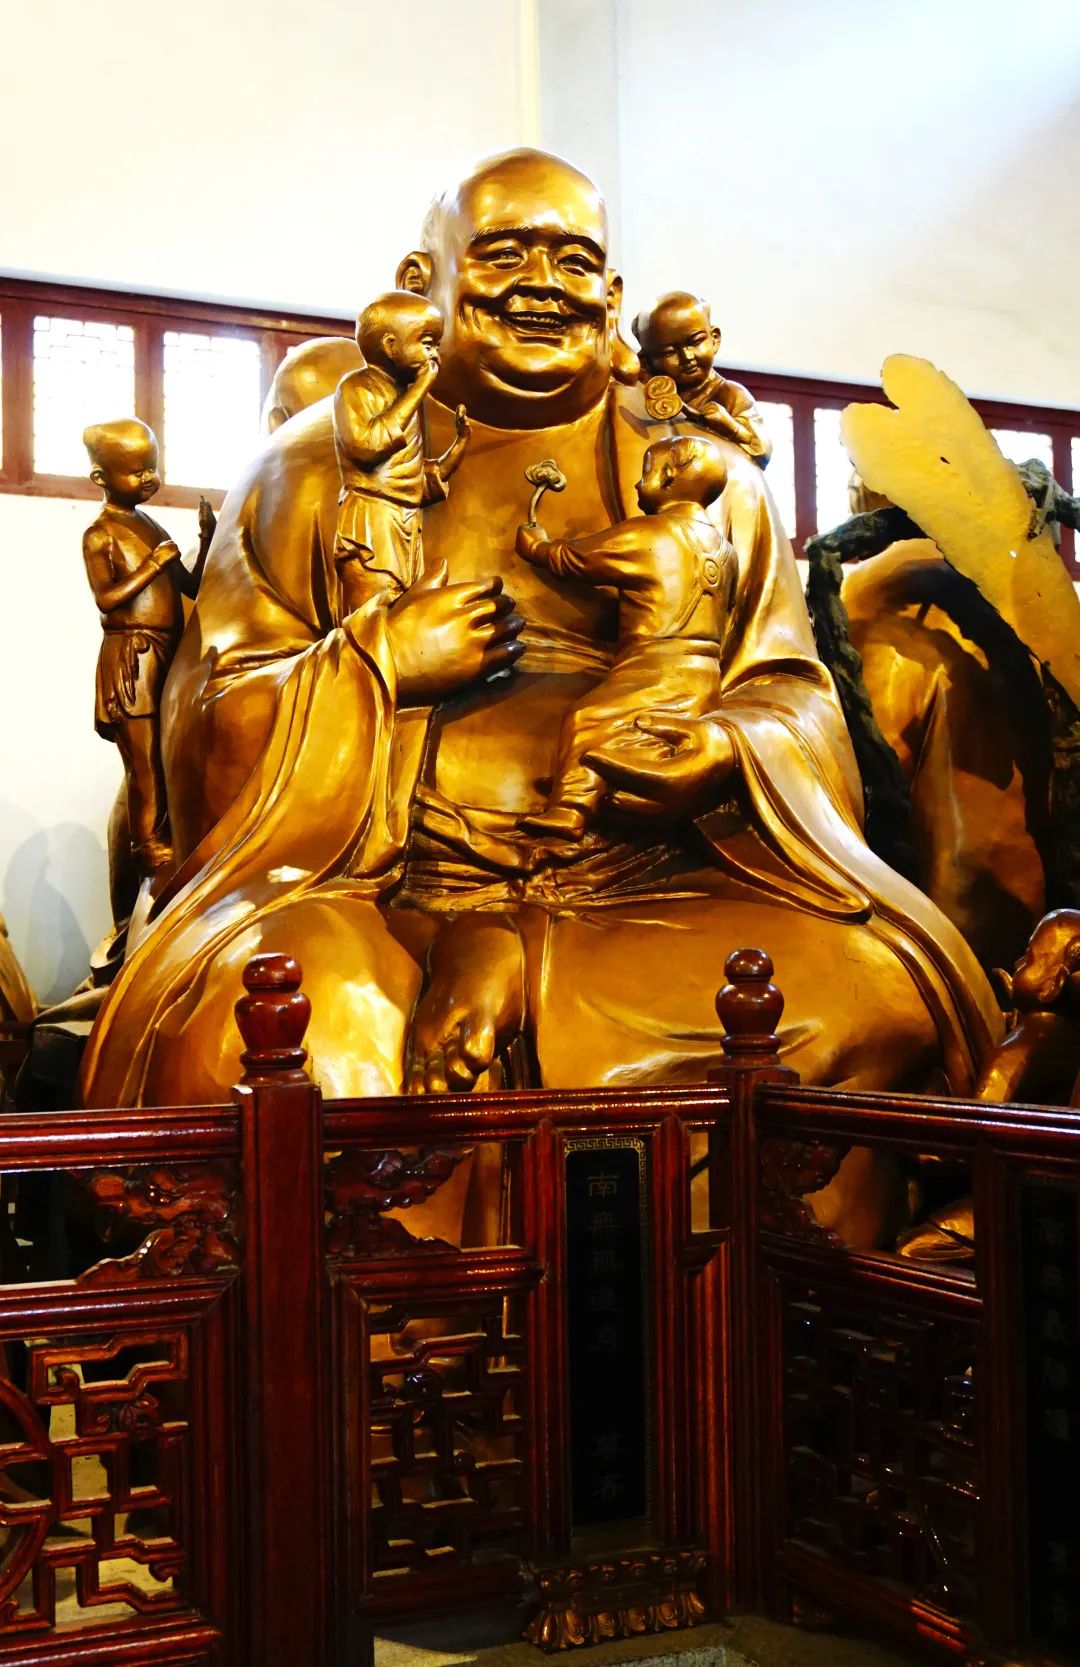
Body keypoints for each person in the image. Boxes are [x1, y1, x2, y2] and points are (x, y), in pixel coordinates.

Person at [81, 151, 1001, 1248]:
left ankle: (728, 1336)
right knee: (308, 1027)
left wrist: (727, 752)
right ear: (422, 278)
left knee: (866, 988)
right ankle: (410, 1342)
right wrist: (378, 660)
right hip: (378, 890)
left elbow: (791, 695)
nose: (542, 285)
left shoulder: (706, 479)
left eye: (574, 261)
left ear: (612, 293)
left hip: (651, 892)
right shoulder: (311, 468)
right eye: (505, 253)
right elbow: (209, 725)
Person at [516, 434, 735, 840]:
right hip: (706, 675)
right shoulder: (725, 550)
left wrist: (538, 548)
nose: (637, 483)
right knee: (642, 728)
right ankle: (612, 788)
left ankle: (570, 809)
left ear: (668, 476)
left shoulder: (649, 535)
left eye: (646, 472)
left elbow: (578, 558)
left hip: (653, 667)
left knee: (588, 719)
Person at [81, 419, 204, 874]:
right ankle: (147, 843)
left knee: (171, 750)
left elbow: (189, 586)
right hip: (132, 656)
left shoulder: (149, 524)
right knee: (145, 760)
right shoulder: (100, 533)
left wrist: (207, 539)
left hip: (168, 650)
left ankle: (175, 830)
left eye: (152, 467)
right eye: (136, 471)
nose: (149, 478)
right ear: (101, 477)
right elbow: (107, 598)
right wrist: (153, 565)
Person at [333, 292, 470, 610]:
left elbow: (412, 478)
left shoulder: (402, 395)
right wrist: (421, 388)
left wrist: (460, 443)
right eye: (427, 343)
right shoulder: (356, 387)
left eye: (436, 344)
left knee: (402, 617)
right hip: (372, 523)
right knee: (372, 618)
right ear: (391, 346)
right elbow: (367, 446)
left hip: (406, 522)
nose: (434, 353)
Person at [633, 291, 771, 465]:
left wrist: (730, 426)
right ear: (646, 361)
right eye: (669, 352)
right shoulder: (641, 397)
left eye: (695, 342)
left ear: (715, 339)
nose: (687, 357)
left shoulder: (731, 394)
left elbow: (761, 450)